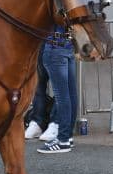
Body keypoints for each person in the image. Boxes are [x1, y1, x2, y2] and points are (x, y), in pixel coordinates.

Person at [23, 25, 79, 154]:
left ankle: (63, 140)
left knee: (62, 97)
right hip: (67, 44)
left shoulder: (54, 4)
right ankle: (67, 137)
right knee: (70, 94)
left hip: (54, 45)